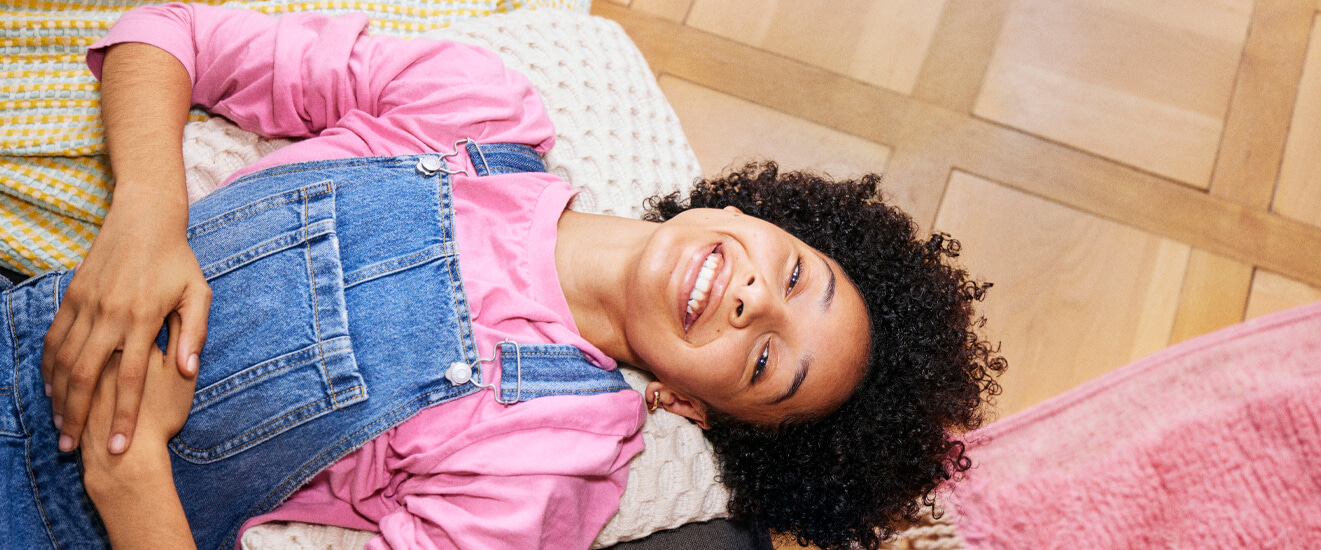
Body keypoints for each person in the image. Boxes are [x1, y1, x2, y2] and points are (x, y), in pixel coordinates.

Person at [1, 4, 1005, 550]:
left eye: (764, 361)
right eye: (792, 274)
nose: (754, 303)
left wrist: (126, 478)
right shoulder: (474, 113)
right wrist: (146, 218)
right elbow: (163, 32)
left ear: (691, 408)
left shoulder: (555, 459)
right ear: (747, 211)